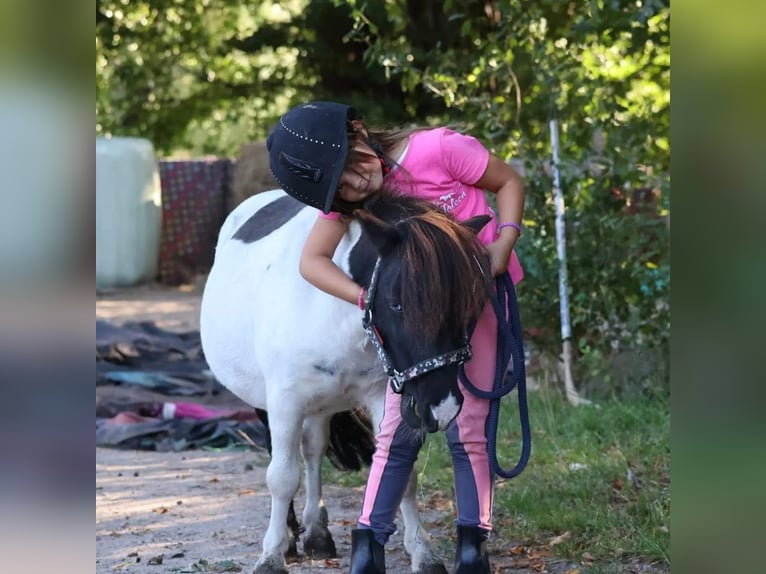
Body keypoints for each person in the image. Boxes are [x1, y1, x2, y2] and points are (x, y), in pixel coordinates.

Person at [266, 101, 525, 574]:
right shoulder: (353, 200)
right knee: (397, 427)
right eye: (341, 191)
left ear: (359, 132)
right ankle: (369, 546)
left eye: (350, 170)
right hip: (418, 321)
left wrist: (503, 242)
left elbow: (508, 182)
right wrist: (366, 298)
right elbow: (312, 262)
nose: (355, 187)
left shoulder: (442, 149)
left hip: (476, 302)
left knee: (472, 425)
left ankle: (473, 547)